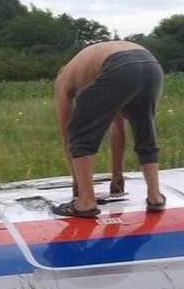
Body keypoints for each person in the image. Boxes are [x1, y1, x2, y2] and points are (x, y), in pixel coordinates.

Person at [53, 41, 166, 218]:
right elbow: (118, 127)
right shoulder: (93, 66)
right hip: (150, 63)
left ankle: (85, 202)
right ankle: (155, 196)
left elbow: (67, 135)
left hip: (119, 65)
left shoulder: (63, 80)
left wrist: (77, 187)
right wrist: (116, 180)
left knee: (78, 131)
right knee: (145, 127)